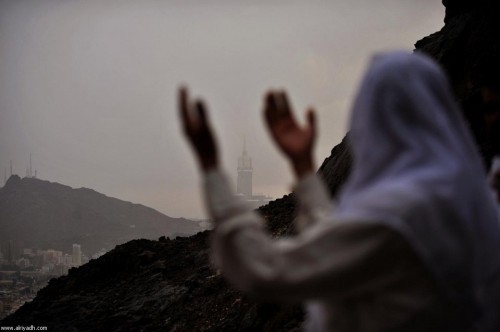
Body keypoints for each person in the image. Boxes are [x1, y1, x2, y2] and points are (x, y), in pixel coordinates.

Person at [179, 51, 500, 331]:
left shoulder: (404, 211)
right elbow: (346, 245)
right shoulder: (468, 202)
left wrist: (211, 169)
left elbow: (266, 270)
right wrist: (304, 168)